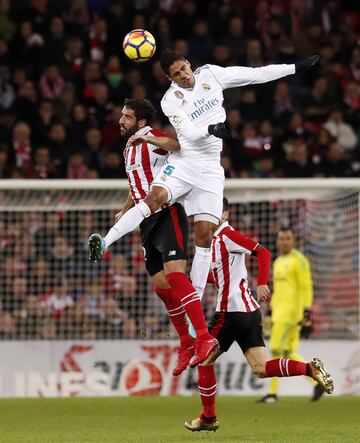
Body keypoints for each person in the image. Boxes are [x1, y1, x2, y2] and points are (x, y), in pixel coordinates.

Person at [90, 50, 321, 308]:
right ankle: (105, 241)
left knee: (204, 238)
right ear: (169, 78)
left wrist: (294, 68)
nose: (184, 76)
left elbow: (255, 75)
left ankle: (195, 307)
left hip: (210, 170)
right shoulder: (171, 101)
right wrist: (211, 130)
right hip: (185, 162)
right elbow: (187, 134)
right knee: (153, 198)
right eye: (176, 74)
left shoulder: (211, 74)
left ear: (190, 63)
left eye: (184, 69)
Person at [88, 98, 217, 372]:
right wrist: (125, 209)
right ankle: (186, 342)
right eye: (122, 115)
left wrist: (149, 141)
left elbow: (177, 145)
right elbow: (136, 184)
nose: (121, 120)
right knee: (162, 287)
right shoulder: (128, 149)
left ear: (141, 122)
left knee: (176, 276)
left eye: (127, 116)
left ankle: (204, 338)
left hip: (167, 211)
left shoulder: (151, 137)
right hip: (144, 221)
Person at [184, 199, 334, 432]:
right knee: (260, 368)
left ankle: (208, 418)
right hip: (249, 313)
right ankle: (310, 370)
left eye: (212, 211)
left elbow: (262, 252)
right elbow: (221, 277)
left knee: (203, 360)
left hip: (230, 312)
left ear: (224, 214)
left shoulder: (226, 235)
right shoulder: (213, 242)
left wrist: (262, 282)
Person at [258, 227, 325, 403]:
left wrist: (306, 311)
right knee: (286, 352)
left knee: (276, 350)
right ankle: (316, 379)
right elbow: (279, 290)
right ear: (277, 242)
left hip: (291, 314)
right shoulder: (278, 261)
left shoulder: (300, 260)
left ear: (293, 241)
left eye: (288, 238)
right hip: (278, 313)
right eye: (282, 239)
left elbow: (306, 286)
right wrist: (271, 311)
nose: (285, 241)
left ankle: (272, 393)